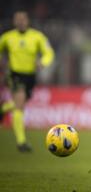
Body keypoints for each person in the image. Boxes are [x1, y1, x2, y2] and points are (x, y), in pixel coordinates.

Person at [0, 11, 55, 152]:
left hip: (30, 76)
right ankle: (21, 142)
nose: (20, 22)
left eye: (23, 19)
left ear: (27, 21)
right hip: (15, 74)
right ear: (14, 22)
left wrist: (43, 62)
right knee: (20, 106)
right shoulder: (7, 37)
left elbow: (49, 52)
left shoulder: (37, 36)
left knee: (21, 103)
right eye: (17, 19)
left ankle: (4, 108)